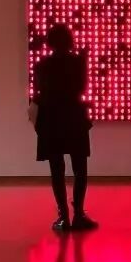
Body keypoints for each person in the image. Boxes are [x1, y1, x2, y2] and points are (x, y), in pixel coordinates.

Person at [31, 24, 97, 232]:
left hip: (51, 120)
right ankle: (78, 214)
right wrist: (83, 61)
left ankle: (63, 217)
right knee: (80, 168)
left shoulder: (41, 65)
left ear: (50, 42)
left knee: (56, 169)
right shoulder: (77, 62)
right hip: (74, 118)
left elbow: (40, 92)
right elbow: (81, 88)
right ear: (69, 40)